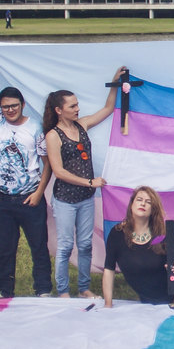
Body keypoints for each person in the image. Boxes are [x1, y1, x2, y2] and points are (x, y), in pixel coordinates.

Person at [0, 44, 49, 299]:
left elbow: (47, 163)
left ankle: (43, 289)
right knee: (5, 248)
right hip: (2, 199)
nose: (10, 110)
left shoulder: (35, 128)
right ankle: (4, 290)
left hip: (30, 197)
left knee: (38, 246)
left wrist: (39, 193)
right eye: (5, 106)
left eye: (14, 105)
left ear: (22, 104)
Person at [42, 76, 123, 297]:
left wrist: (115, 83)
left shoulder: (82, 125)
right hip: (65, 200)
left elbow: (107, 109)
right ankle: (63, 291)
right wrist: (89, 182)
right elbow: (59, 171)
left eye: (77, 104)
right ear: (59, 110)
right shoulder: (53, 136)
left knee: (86, 244)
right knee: (66, 246)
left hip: (86, 198)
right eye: (72, 106)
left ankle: (84, 288)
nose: (77, 109)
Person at [99, 186, 174, 309]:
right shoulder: (117, 233)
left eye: (148, 202)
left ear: (153, 209)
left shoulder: (161, 233)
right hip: (156, 292)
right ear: (131, 204)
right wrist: (108, 304)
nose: (143, 204)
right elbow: (109, 269)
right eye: (139, 200)